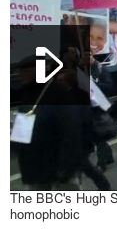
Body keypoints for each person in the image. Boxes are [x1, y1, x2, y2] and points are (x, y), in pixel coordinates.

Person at [13, 56, 85, 190]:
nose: (21, 75)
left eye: (25, 71)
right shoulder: (28, 94)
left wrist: (66, 168)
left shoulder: (57, 92)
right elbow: (21, 132)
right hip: (34, 169)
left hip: (57, 168)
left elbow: (70, 131)